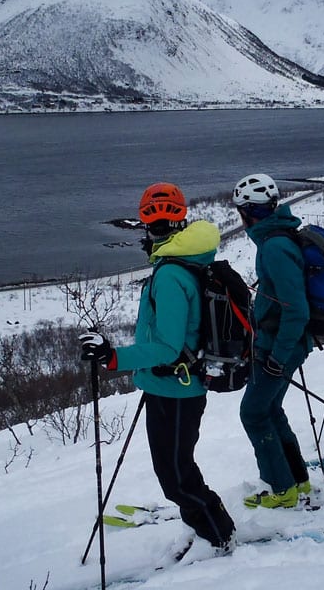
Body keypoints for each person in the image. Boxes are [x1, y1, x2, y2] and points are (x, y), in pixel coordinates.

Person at [79, 182, 235, 552]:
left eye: (162, 225)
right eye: (155, 224)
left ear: (177, 225)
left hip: (176, 390)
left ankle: (219, 536)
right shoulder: (184, 264)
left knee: (176, 476)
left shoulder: (169, 275)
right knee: (175, 469)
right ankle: (213, 530)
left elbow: (166, 346)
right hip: (171, 386)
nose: (157, 231)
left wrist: (113, 356)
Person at [232, 173, 312, 509]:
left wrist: (278, 356)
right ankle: (297, 480)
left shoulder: (275, 247)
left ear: (249, 212)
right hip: (277, 343)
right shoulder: (274, 240)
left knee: (252, 413)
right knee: (270, 408)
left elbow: (297, 310)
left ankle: (282, 491)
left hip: (281, 346)